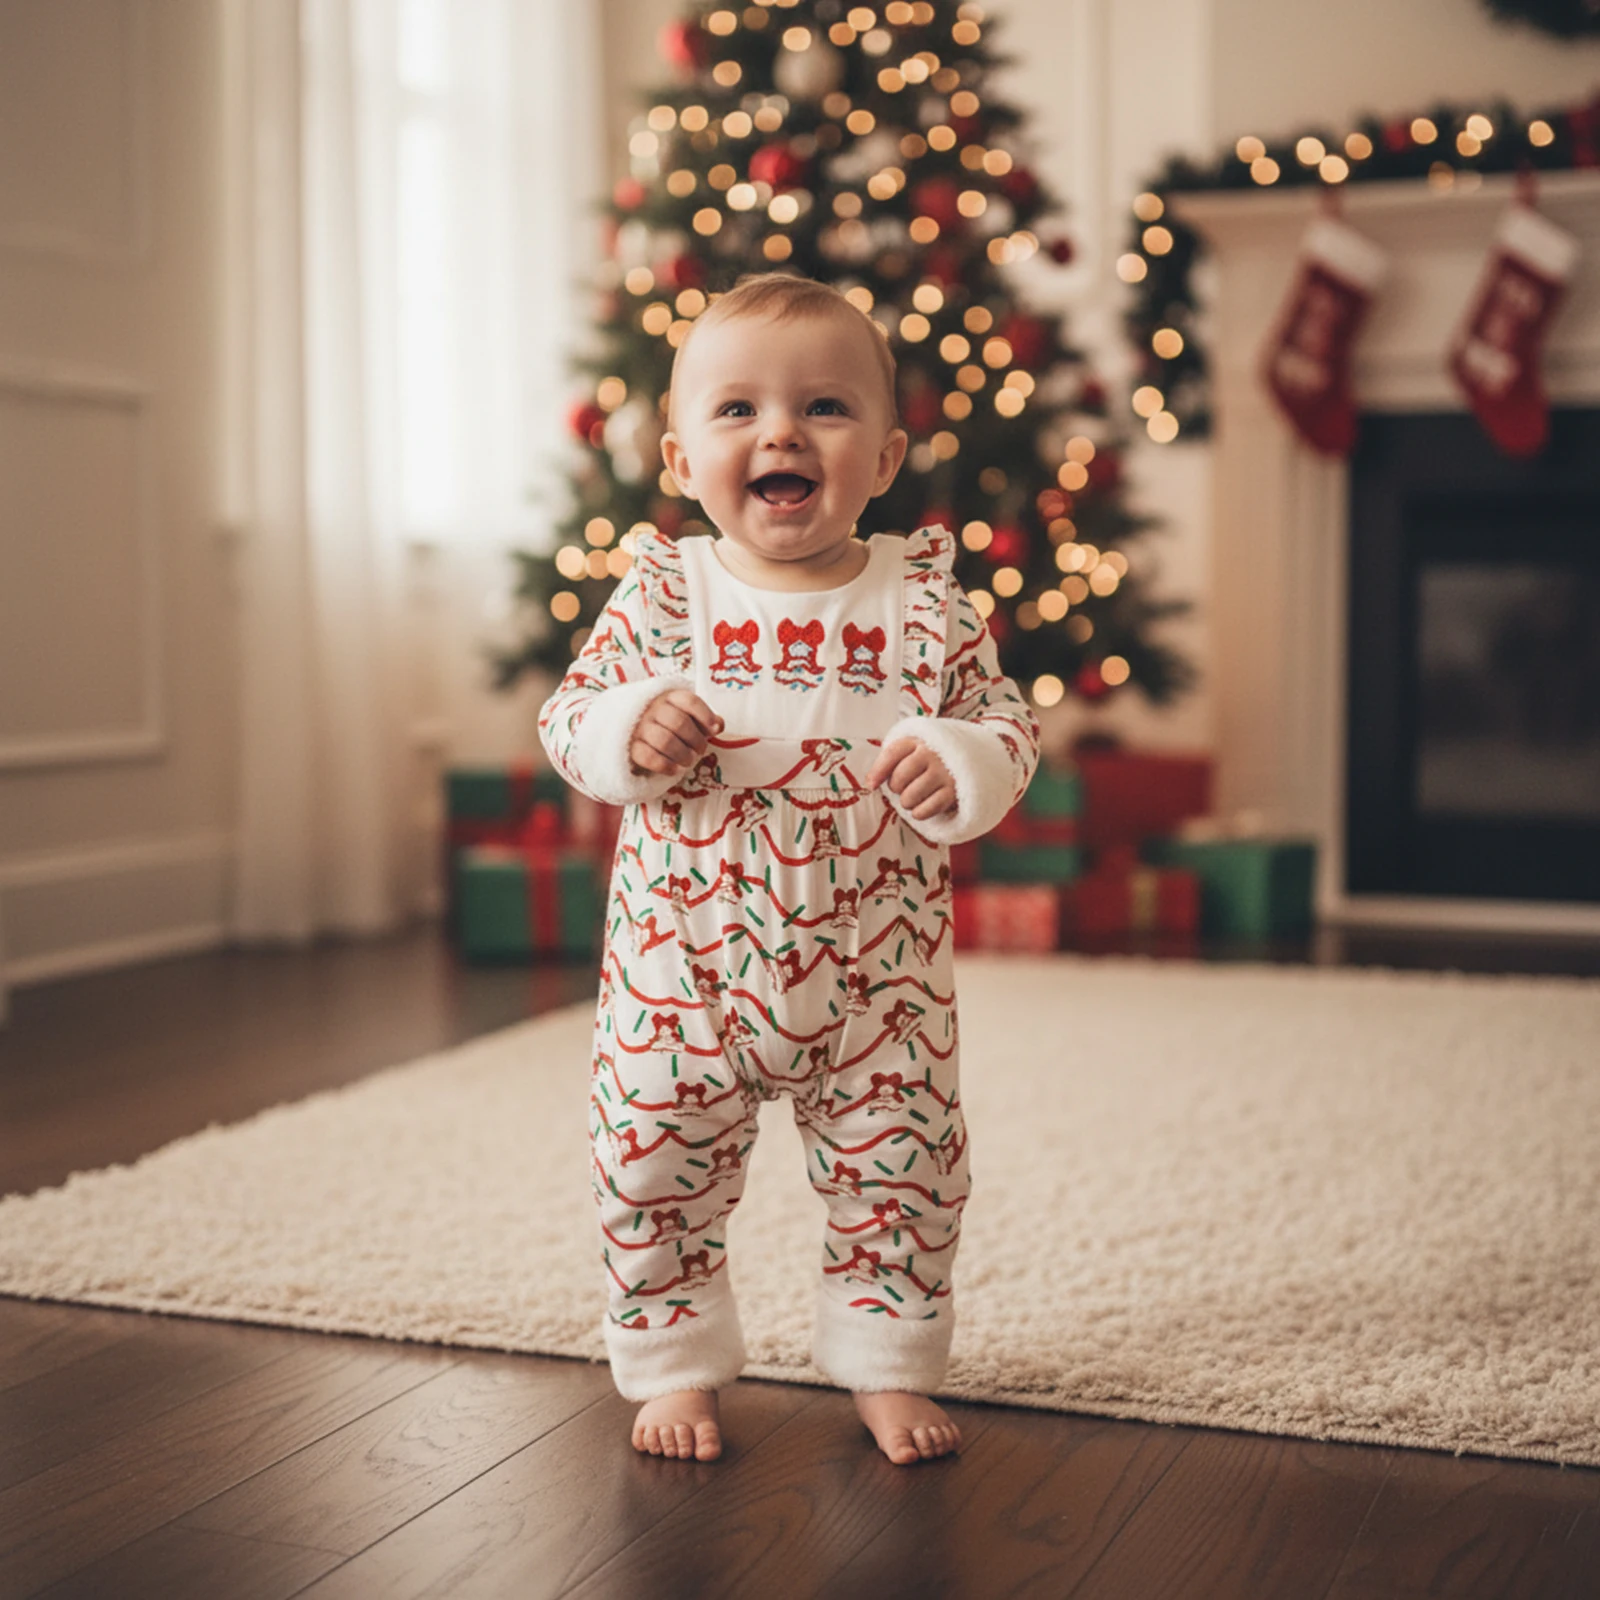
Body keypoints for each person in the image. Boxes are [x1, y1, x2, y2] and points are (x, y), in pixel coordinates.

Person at [539, 273, 1040, 1466]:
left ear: (882, 455)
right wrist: (627, 729)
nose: (779, 433)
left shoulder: (923, 602)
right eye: (736, 412)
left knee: (906, 1167)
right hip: (682, 970)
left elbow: (1008, 727)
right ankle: (673, 1362)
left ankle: (881, 1358)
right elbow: (570, 719)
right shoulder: (664, 594)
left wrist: (965, 761)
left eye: (824, 406)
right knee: (649, 1154)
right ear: (676, 457)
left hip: (880, 985)